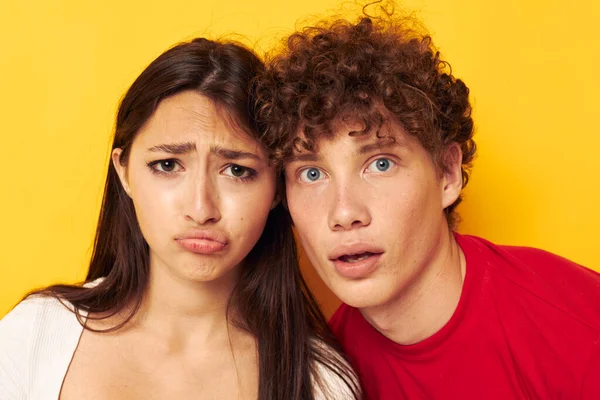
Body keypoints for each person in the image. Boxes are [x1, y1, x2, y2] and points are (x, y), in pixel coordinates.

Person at [255, 8, 600, 400]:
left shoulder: (577, 329)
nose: (344, 213)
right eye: (311, 174)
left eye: (380, 164)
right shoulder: (328, 379)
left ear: (447, 174)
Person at [0, 38, 360, 400]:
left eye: (237, 170)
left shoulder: (319, 383)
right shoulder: (31, 336)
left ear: (277, 189)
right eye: (167, 165)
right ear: (123, 172)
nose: (202, 209)